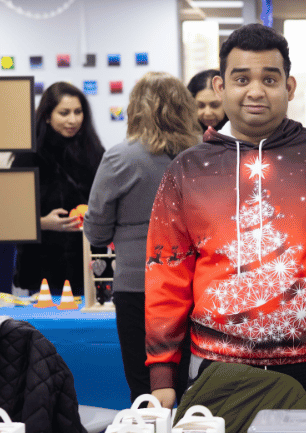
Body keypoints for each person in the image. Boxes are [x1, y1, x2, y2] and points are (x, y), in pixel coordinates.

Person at [145, 24, 306, 411]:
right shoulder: (187, 170)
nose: (255, 91)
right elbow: (166, 276)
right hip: (216, 367)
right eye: (242, 79)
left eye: (269, 79)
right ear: (221, 87)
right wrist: (162, 374)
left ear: (289, 88)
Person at [84, 72, 200, 405]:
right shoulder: (203, 156)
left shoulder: (120, 158)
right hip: (193, 283)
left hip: (137, 283)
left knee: (145, 390)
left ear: (135, 109)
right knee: (194, 388)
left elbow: (96, 230)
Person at [12, 82, 105, 296]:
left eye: (78, 112)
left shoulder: (95, 152)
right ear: (47, 115)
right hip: (42, 263)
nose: (72, 120)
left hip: (87, 261)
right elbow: (10, 215)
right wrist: (43, 223)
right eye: (64, 113)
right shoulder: (28, 156)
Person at [187, 69, 229, 135]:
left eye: (215, 105)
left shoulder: (242, 135)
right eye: (200, 106)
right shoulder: (185, 137)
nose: (207, 113)